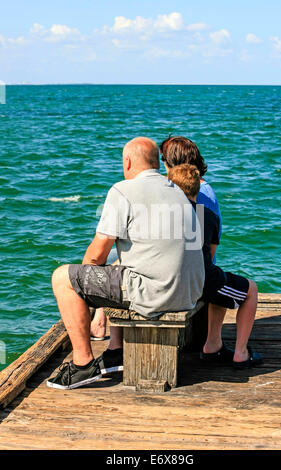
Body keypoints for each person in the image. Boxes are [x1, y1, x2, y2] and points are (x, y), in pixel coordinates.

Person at [47, 137, 205, 390]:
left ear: (128, 161)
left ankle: (82, 364)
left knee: (63, 278)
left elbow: (95, 257)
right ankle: (117, 350)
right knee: (117, 271)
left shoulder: (122, 191)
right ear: (156, 162)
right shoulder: (178, 190)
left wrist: (86, 283)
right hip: (190, 290)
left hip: (155, 292)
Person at [167, 163, 263, 368]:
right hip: (200, 283)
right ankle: (241, 353)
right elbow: (208, 257)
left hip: (168, 281)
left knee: (220, 282)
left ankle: (213, 345)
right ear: (197, 188)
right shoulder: (207, 216)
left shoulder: (163, 215)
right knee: (250, 289)